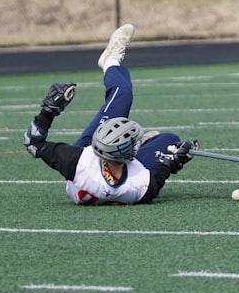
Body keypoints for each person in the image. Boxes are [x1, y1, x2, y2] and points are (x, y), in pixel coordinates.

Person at [23, 23, 197, 205]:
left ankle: (110, 60)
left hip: (91, 160)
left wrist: (48, 112)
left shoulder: (78, 162)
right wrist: (173, 161)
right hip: (116, 164)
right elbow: (157, 179)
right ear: (131, 155)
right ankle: (141, 142)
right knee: (170, 140)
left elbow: (33, 143)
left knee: (123, 93)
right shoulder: (141, 184)